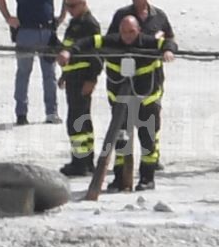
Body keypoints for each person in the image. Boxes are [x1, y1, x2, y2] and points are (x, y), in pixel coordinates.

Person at [58, 15, 176, 191]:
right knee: (121, 140)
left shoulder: (148, 42)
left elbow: (169, 43)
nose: (127, 35)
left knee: (148, 141)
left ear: (138, 31)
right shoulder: (112, 41)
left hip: (147, 100)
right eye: (123, 31)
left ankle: (146, 178)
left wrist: (168, 51)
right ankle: (120, 179)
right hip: (120, 101)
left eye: (131, 32)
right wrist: (69, 51)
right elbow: (88, 41)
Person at [0, 0, 68, 126]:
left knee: (49, 74)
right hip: (25, 32)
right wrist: (8, 17)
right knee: (23, 73)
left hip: (47, 33)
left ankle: (51, 113)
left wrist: (61, 17)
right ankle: (21, 113)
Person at [108, 0, 175, 169]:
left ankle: (152, 159)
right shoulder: (122, 15)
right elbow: (111, 40)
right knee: (123, 123)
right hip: (124, 80)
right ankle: (122, 165)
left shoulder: (159, 16)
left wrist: (165, 47)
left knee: (151, 123)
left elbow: (170, 37)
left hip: (151, 79)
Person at [57, 0, 102, 177]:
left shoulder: (89, 24)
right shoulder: (75, 23)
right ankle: (83, 160)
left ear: (84, 5)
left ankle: (82, 162)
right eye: (66, 6)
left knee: (78, 122)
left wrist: (92, 79)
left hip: (83, 78)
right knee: (78, 120)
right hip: (73, 78)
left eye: (73, 6)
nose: (69, 10)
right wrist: (64, 75)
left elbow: (97, 55)